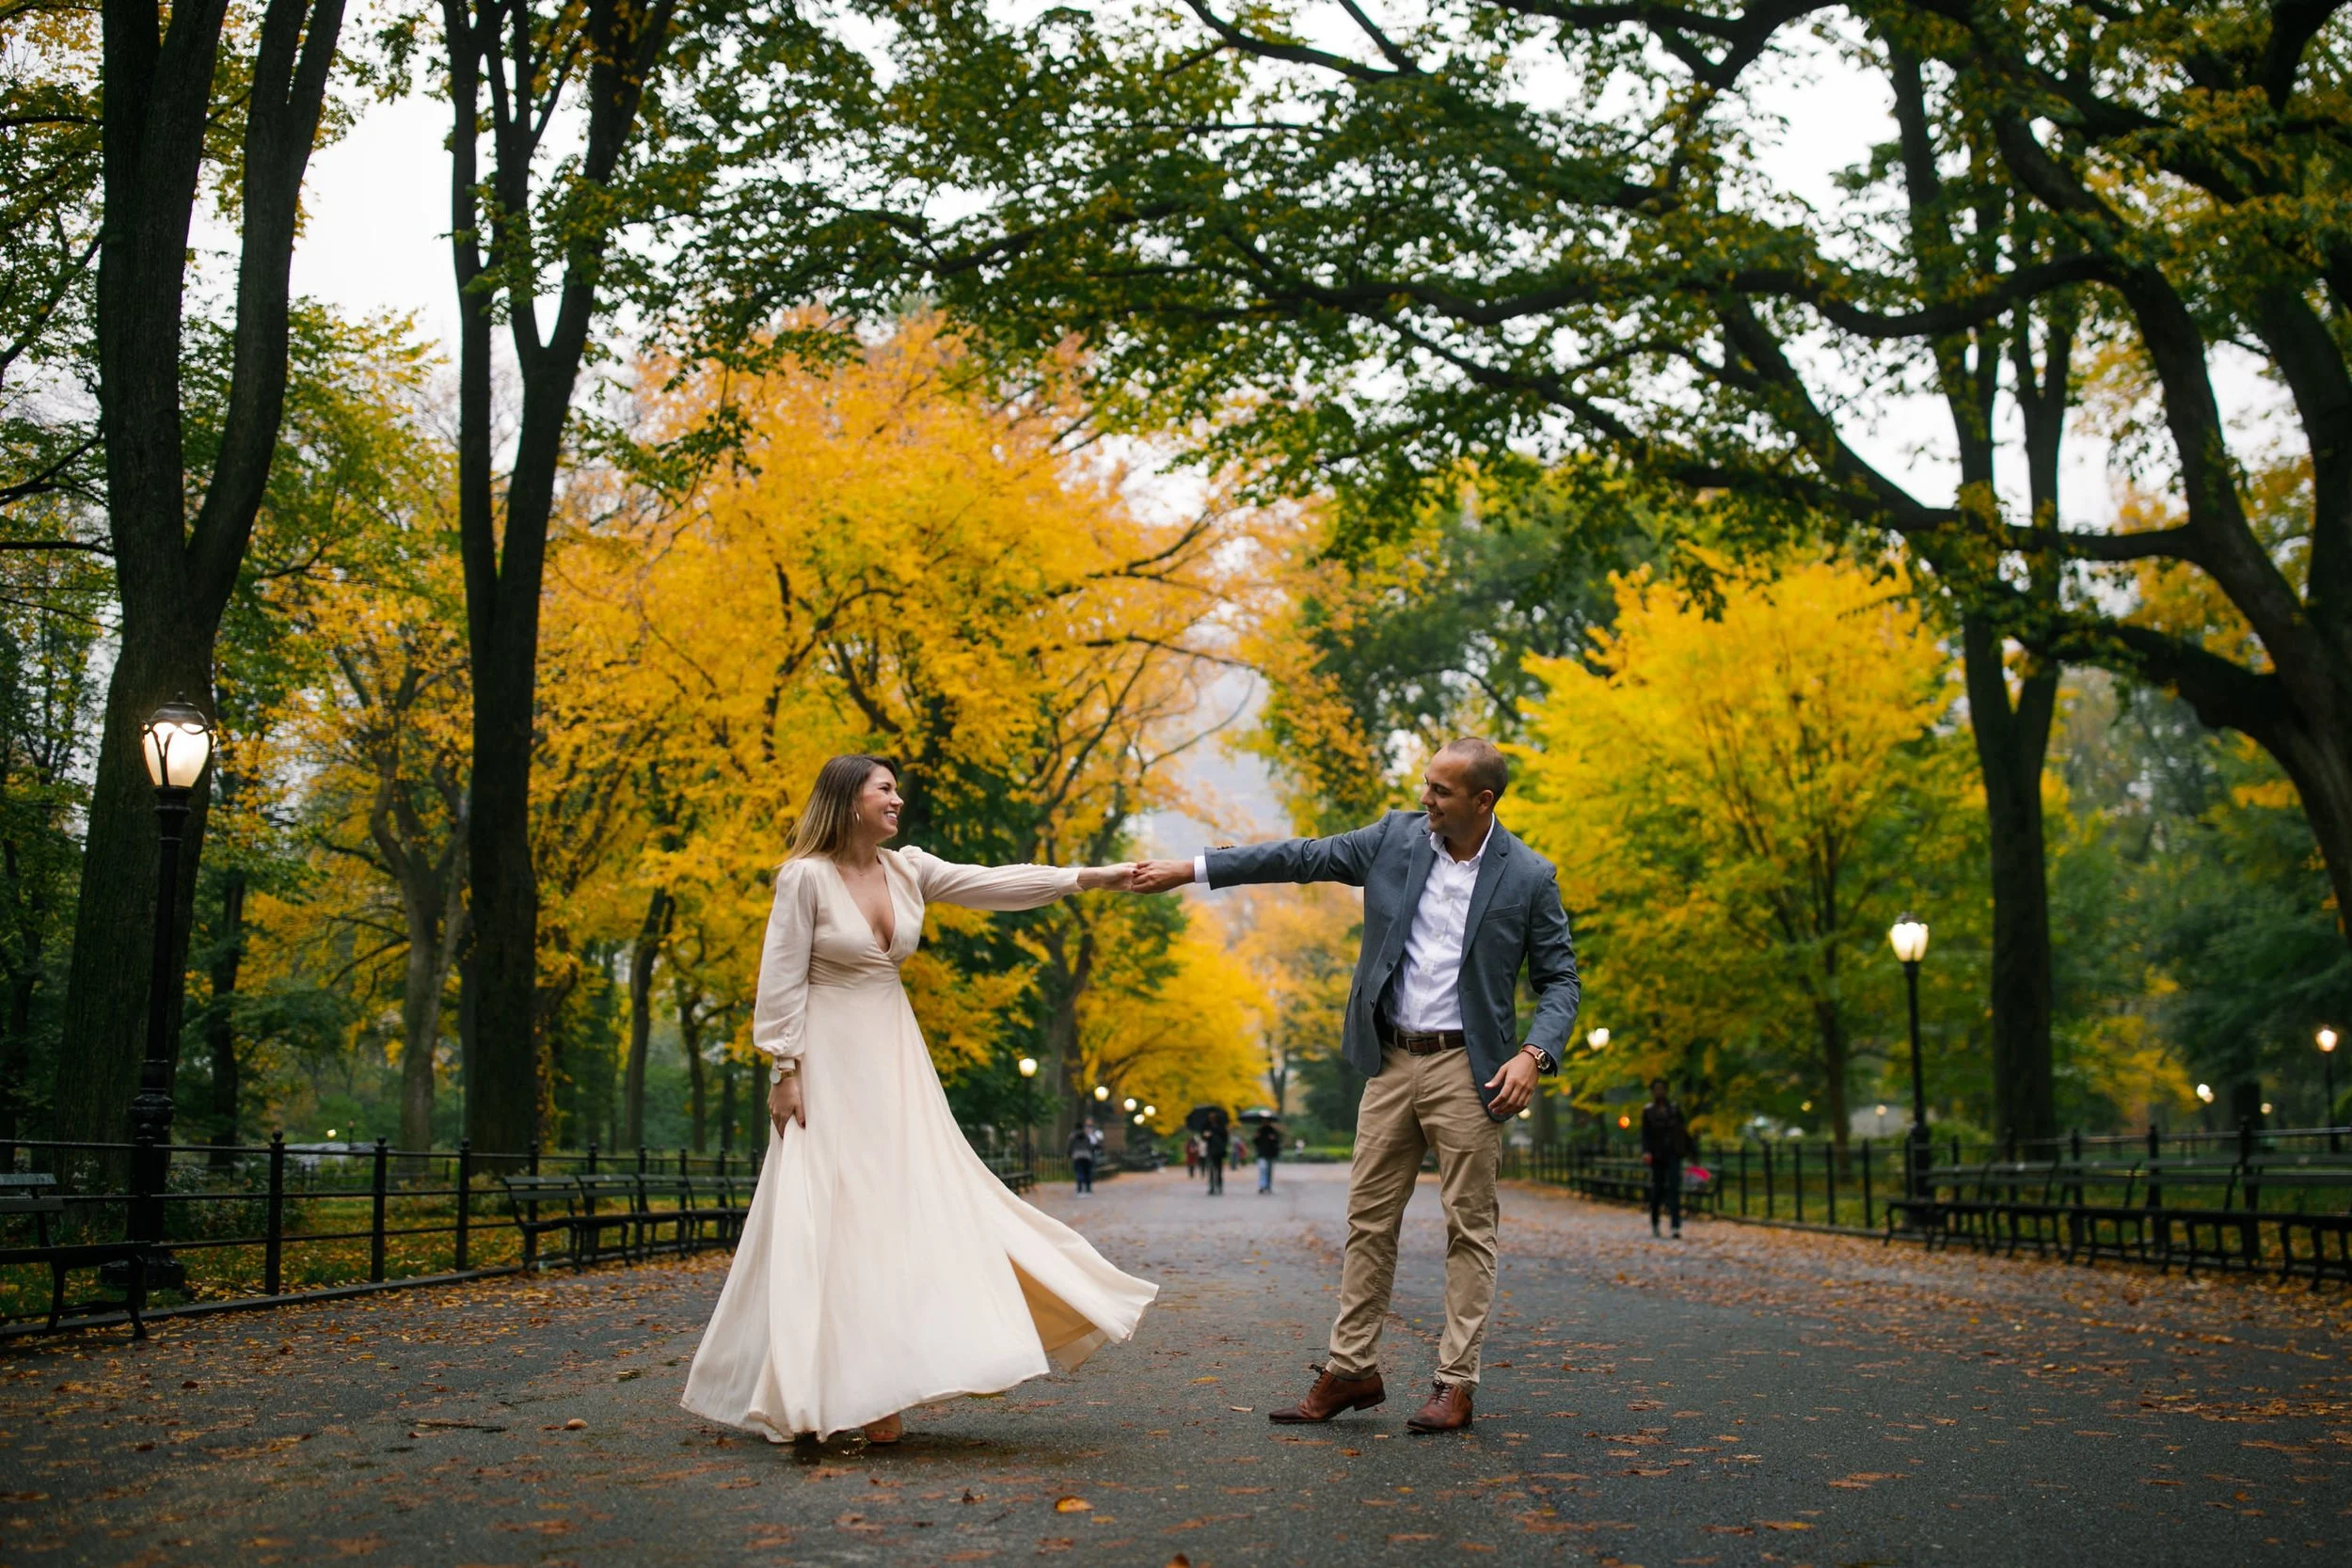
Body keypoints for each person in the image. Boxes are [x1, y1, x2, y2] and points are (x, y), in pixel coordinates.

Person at [682, 754, 1157, 1446]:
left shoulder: (907, 869)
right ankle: (827, 1393)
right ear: (849, 800)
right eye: (885, 789)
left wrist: (1092, 877)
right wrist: (784, 1069)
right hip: (827, 1063)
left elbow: (996, 883)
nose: (898, 799)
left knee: (913, 1208)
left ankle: (885, 1381)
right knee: (836, 1217)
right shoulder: (805, 877)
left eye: (897, 788)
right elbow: (780, 975)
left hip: (895, 1061)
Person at [1131, 736, 1578, 1434]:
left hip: (1472, 1070)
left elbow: (1560, 980)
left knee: (1470, 1229)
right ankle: (1352, 1368)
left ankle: (1455, 1383)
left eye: (1441, 789)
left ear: (1482, 800)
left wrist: (1533, 1054)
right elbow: (1298, 855)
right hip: (1392, 1060)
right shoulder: (1395, 837)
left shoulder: (1528, 875)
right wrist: (1190, 869)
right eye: (1425, 783)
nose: (1424, 798)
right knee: (1369, 1221)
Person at [1640, 1078, 1689, 1239]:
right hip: (1657, 1155)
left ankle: (1675, 1226)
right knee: (1658, 1189)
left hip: (1673, 1153)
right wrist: (1646, 1151)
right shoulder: (1648, 1111)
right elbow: (1645, 1134)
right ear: (1653, 1092)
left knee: (1674, 1188)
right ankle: (1655, 1222)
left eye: (1662, 1088)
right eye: (1657, 1089)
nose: (1659, 1092)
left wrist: (1689, 1151)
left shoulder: (1674, 1109)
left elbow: (1683, 1131)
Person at [1069, 1121, 1098, 1195]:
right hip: (1087, 1156)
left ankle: (1079, 1188)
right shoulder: (1086, 1135)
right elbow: (1090, 1146)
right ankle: (1088, 1188)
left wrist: (1069, 1153)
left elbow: (1070, 1146)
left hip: (1077, 1155)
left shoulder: (1073, 1136)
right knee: (1087, 1172)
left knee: (1079, 1171)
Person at [1254, 1119, 1282, 1194]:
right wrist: (1256, 1137)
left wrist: (1273, 1138)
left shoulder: (1273, 1131)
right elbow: (1256, 1142)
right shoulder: (1259, 1131)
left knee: (1269, 1171)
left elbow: (1277, 1142)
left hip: (1270, 1153)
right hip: (1262, 1153)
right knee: (1262, 1170)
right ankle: (1262, 1185)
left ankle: (1268, 1186)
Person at [1202, 1117, 1229, 1196]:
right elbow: (1203, 1137)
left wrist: (1223, 1146)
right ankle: (1212, 1186)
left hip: (1219, 1151)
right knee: (1210, 1169)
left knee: (1219, 1170)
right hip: (1210, 1150)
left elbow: (1225, 1138)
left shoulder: (1221, 1127)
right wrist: (1205, 1136)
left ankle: (1219, 1185)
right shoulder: (1207, 1126)